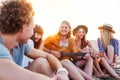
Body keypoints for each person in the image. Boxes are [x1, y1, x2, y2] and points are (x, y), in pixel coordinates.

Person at [0, 0, 69, 80]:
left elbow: (47, 55)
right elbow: (11, 72)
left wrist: (61, 71)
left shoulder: (22, 44)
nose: (33, 33)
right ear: (24, 26)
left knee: (41, 61)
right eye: (33, 28)